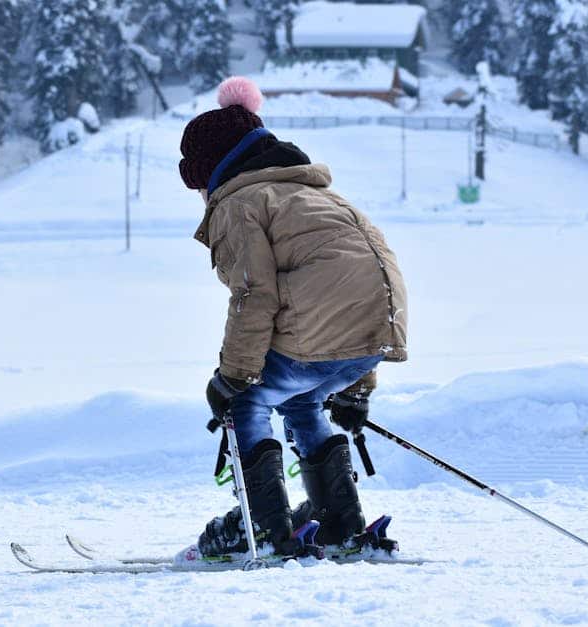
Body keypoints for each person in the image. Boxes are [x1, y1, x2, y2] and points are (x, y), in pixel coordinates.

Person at [178, 77, 409, 559]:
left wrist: (232, 378)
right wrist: (356, 386)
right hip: (373, 335)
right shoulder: (325, 197)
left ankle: (262, 530)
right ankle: (339, 523)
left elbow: (253, 295)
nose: (200, 194)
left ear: (213, 169)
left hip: (322, 338)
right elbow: (359, 291)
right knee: (303, 403)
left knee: (246, 403)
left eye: (198, 181)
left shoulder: (240, 203)